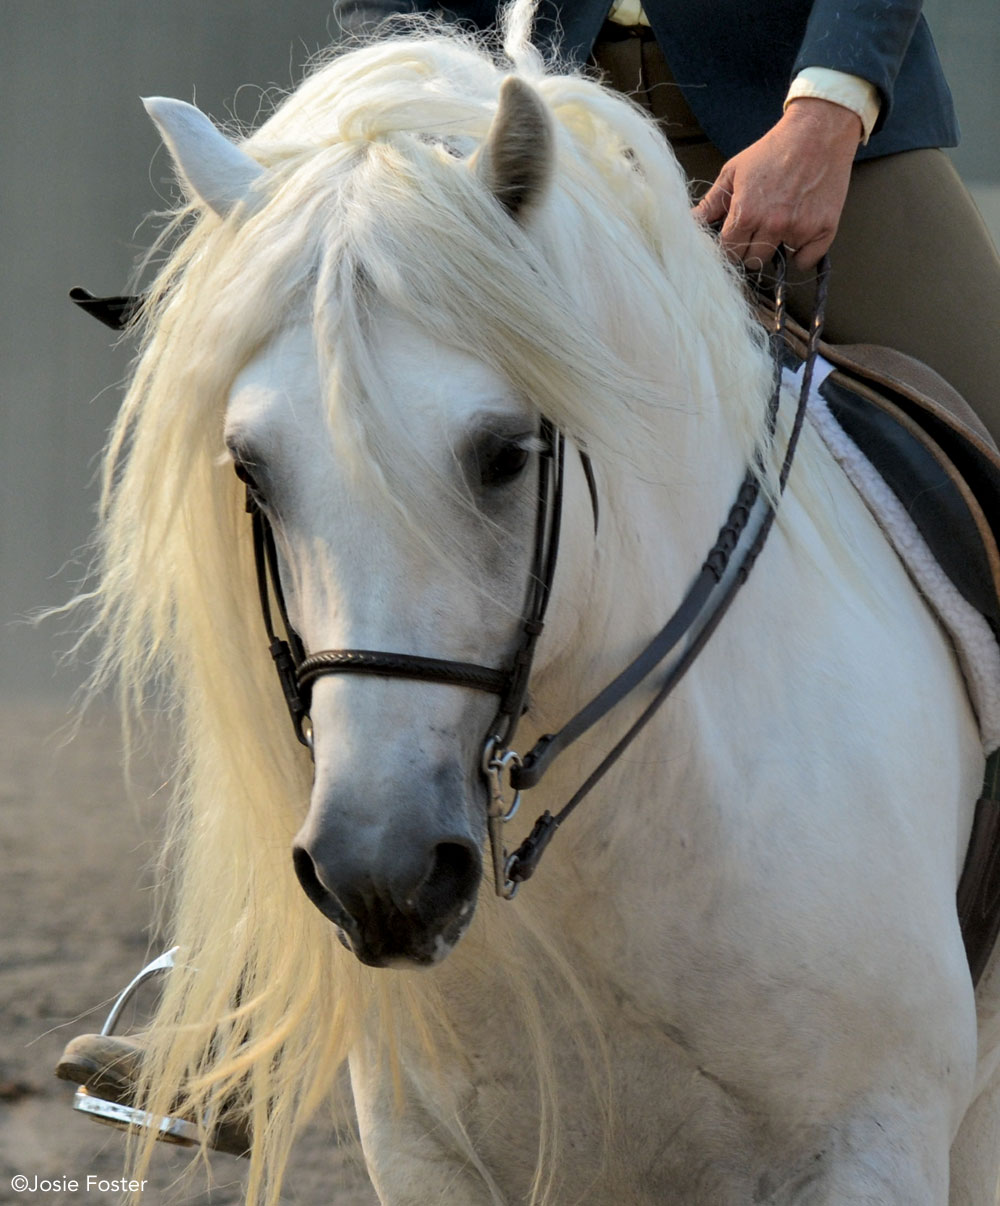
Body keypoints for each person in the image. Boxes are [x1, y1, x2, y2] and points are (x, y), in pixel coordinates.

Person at [334, 0, 1000, 446]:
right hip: (523, 129)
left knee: (987, 423)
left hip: (811, 116)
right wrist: (432, 128)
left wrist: (828, 115)